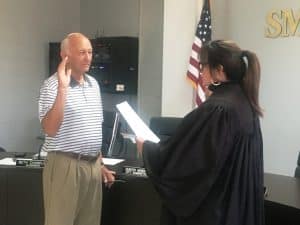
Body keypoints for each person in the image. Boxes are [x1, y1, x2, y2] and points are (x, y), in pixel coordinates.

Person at [136, 40, 264, 225]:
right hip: (237, 206)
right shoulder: (244, 103)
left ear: (219, 71)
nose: (200, 72)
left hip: (216, 210)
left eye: (203, 66)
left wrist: (147, 149)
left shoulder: (218, 109)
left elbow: (190, 163)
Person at [38, 33, 115, 225]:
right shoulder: (52, 85)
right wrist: (63, 90)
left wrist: (100, 164)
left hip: (92, 165)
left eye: (90, 52)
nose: (88, 57)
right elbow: (50, 129)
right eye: (82, 52)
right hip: (65, 164)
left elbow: (93, 128)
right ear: (65, 55)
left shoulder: (93, 85)